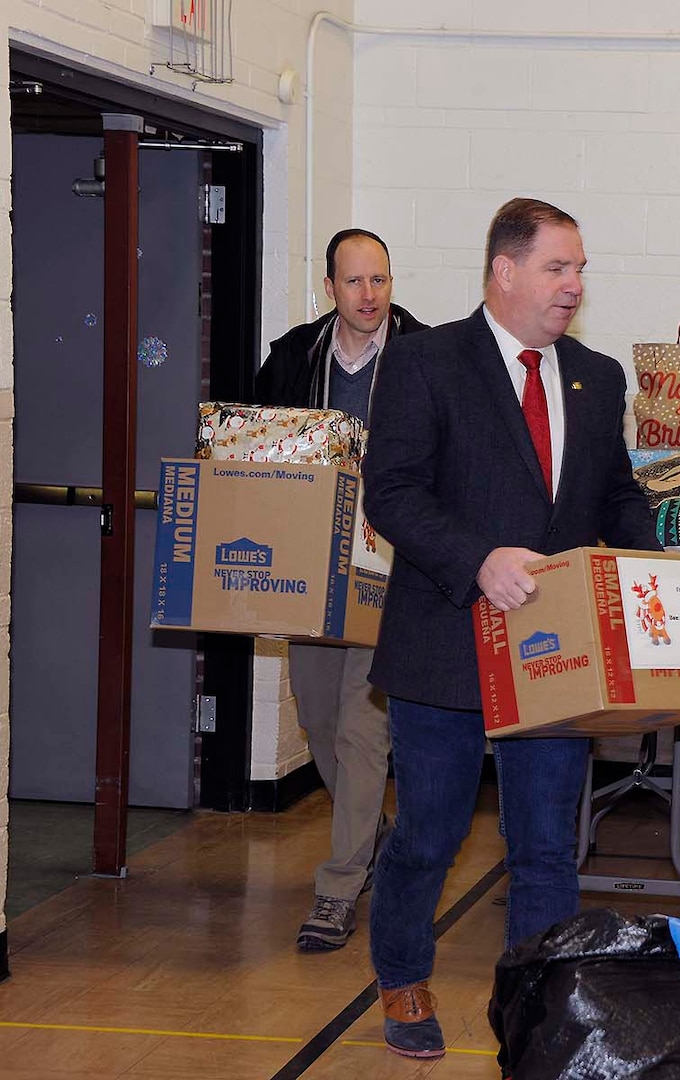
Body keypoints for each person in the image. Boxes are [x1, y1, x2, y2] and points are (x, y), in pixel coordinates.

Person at [360, 198, 661, 1059]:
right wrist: (477, 559)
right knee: (431, 832)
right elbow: (394, 493)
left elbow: (615, 498)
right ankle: (403, 975)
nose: (574, 286)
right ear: (505, 270)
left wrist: (669, 567)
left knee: (544, 846)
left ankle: (537, 1009)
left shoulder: (597, 377)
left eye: (580, 271)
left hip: (553, 656)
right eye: (558, 268)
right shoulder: (425, 363)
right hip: (445, 640)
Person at [253, 228, 429, 952]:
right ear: (330, 287)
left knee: (363, 730)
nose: (369, 296)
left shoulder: (427, 357)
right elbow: (250, 452)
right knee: (320, 722)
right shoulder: (293, 356)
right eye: (354, 282)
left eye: (380, 280)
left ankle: (337, 887)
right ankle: (372, 836)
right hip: (312, 573)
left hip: (393, 575)